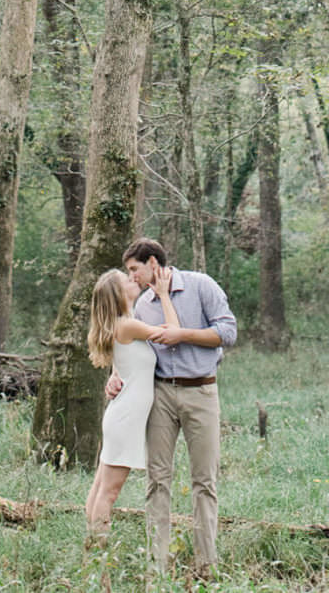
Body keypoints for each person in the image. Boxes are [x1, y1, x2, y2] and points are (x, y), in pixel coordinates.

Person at [106, 237, 238, 574]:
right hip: (161, 394)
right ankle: (158, 567)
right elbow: (129, 347)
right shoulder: (143, 304)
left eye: (134, 269)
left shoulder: (201, 285)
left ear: (153, 262)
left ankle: (207, 566)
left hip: (201, 391)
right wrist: (114, 375)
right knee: (157, 479)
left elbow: (228, 332)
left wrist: (185, 335)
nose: (131, 277)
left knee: (204, 481)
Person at [82, 267, 172, 545]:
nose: (133, 279)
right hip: (126, 418)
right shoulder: (127, 325)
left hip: (122, 415)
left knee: (100, 487)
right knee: (108, 492)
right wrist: (164, 295)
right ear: (118, 295)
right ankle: (99, 550)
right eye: (126, 280)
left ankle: (92, 547)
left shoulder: (125, 324)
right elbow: (172, 333)